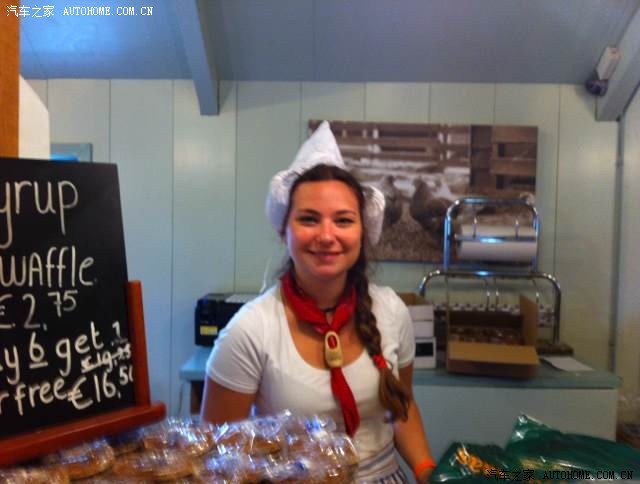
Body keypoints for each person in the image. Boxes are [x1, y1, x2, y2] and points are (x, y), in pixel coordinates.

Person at [201, 121, 436, 483]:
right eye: (309, 219)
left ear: (363, 232)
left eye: (343, 220)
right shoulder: (250, 330)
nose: (327, 236)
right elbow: (217, 456)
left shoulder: (391, 311)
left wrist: (426, 472)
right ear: (284, 230)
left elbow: (402, 408)